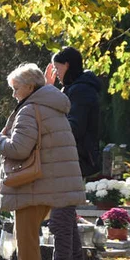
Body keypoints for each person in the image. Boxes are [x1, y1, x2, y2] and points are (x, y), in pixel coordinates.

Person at [0, 63, 85, 260]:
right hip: (55, 182)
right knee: (63, 233)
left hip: (33, 184)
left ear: (30, 87)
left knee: (26, 240)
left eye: (15, 88)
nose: (13, 94)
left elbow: (19, 149)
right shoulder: (55, 105)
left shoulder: (29, 109)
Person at [45, 46, 103, 182]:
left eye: (57, 68)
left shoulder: (81, 90)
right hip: (74, 157)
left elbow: (75, 127)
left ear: (67, 65)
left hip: (80, 158)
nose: (55, 73)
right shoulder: (72, 88)